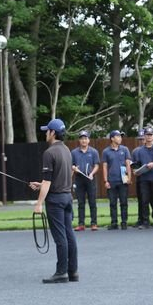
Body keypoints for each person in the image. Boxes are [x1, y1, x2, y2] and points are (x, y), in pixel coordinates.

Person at [30, 118, 78, 284]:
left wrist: (38, 203)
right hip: (67, 197)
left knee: (60, 238)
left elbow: (49, 181)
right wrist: (41, 184)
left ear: (53, 133)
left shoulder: (49, 153)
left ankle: (61, 272)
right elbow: (57, 177)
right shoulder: (67, 151)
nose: (45, 133)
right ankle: (73, 272)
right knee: (69, 234)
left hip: (55, 200)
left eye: (47, 130)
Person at [132, 127, 153, 229]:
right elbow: (136, 164)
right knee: (144, 200)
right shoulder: (139, 151)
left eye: (151, 135)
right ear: (144, 136)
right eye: (147, 135)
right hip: (143, 179)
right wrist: (135, 171)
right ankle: (145, 222)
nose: (149, 137)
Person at [102, 130, 132, 230]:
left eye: (120, 136)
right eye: (118, 136)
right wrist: (106, 181)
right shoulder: (106, 151)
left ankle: (124, 222)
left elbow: (128, 164)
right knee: (112, 203)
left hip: (123, 180)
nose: (120, 138)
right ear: (112, 138)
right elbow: (105, 167)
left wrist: (129, 177)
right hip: (112, 180)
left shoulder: (125, 149)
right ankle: (114, 222)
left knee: (124, 202)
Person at [71, 130, 100, 231]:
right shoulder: (74, 152)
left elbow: (96, 165)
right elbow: (72, 165)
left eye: (85, 138)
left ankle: (94, 223)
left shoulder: (93, 152)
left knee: (92, 202)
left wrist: (92, 173)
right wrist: (74, 168)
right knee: (80, 202)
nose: (84, 140)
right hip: (79, 179)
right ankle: (81, 224)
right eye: (82, 138)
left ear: (88, 140)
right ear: (79, 140)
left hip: (90, 179)